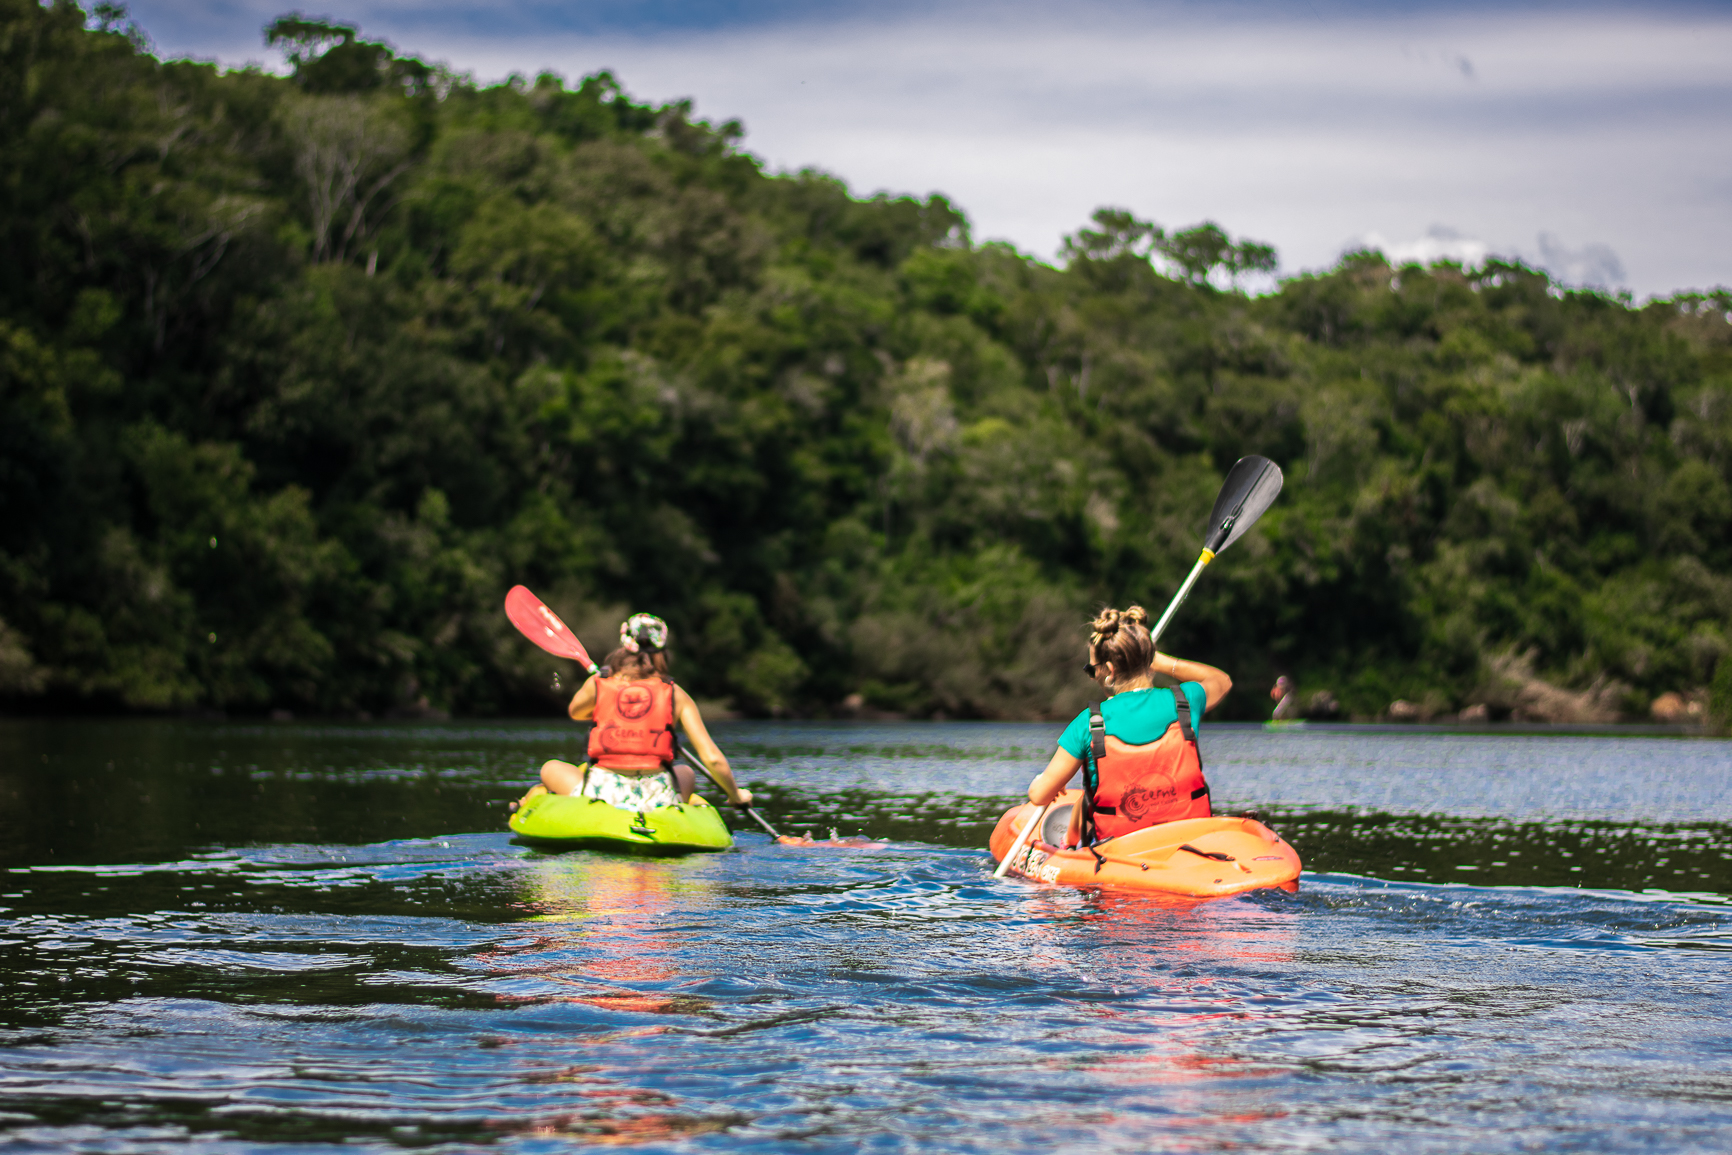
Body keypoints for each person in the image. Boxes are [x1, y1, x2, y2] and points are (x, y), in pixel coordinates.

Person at [1024, 605, 1232, 848]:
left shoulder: (1088, 723)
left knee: (1087, 797)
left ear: (1109, 670)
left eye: (1092, 670)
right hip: (1194, 843)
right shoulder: (1185, 700)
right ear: (1148, 660)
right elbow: (1221, 681)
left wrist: (1048, 781)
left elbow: (1038, 795)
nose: (1092, 677)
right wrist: (1162, 663)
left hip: (1121, 851)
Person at [537, 613, 753, 813]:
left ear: (624, 644)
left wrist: (603, 694)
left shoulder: (598, 684)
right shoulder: (675, 693)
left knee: (550, 768)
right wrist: (735, 795)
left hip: (602, 793)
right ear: (662, 650)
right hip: (657, 797)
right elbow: (712, 759)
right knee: (686, 772)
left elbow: (576, 712)